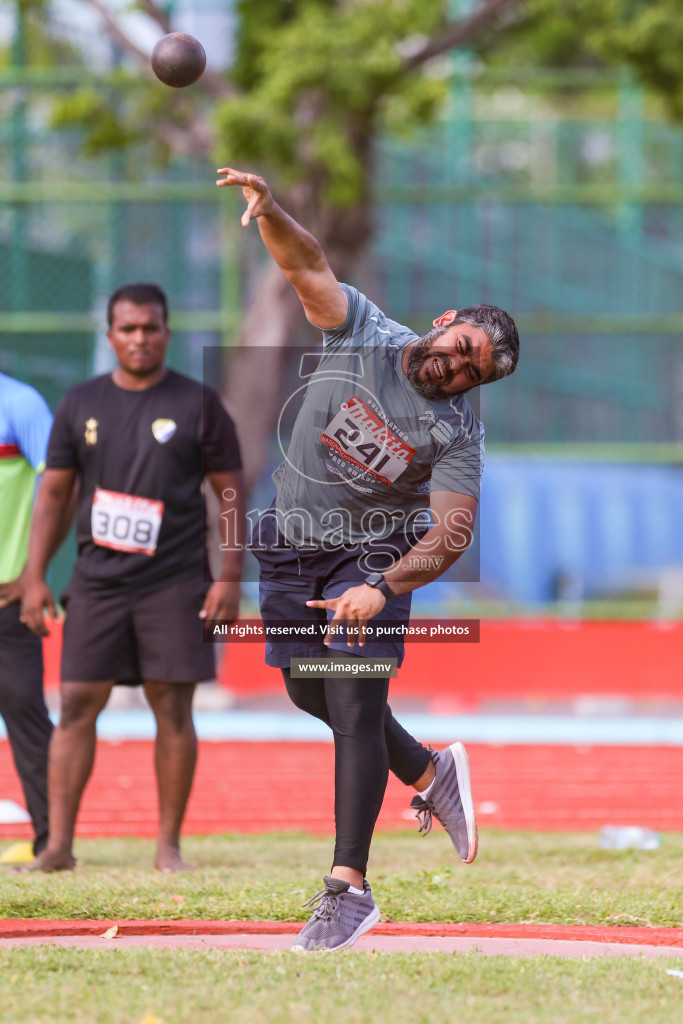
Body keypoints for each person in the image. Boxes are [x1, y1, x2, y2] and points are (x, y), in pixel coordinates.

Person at [216, 167, 520, 952]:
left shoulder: (457, 434)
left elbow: (449, 534)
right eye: (461, 348)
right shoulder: (362, 332)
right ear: (444, 320)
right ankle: (426, 769)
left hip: (369, 552)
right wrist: (273, 209)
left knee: (351, 703)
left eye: (471, 371)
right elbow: (305, 265)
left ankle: (347, 889)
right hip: (288, 539)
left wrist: (381, 587)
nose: (455, 368)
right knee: (305, 692)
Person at [20, 283, 245, 873]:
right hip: (96, 581)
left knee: (172, 706)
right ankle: (59, 848)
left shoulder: (199, 404)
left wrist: (229, 576)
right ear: (110, 335)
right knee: (75, 704)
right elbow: (56, 493)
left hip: (174, 581)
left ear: (166, 332)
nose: (139, 338)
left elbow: (230, 493)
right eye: (128, 329)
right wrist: (34, 574)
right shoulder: (79, 404)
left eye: (150, 328)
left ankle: (168, 846)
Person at [0, 373, 56, 862]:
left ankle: (51, 840)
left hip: (6, 598)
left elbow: (59, 485)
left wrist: (32, 573)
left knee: (24, 712)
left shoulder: (20, 402)